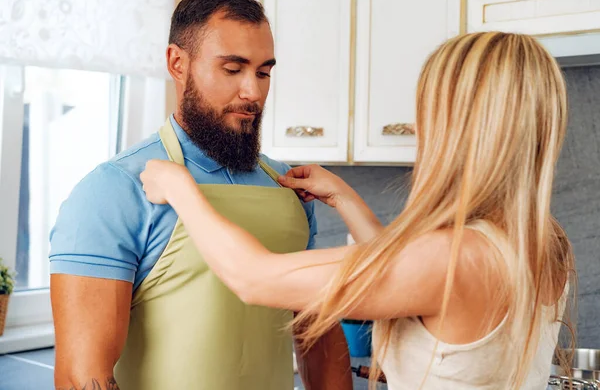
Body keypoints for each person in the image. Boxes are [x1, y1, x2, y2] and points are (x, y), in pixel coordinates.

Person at [140, 31, 576, 390]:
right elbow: (406, 276)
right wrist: (346, 199)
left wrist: (181, 189)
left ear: (455, 125)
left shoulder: (453, 257)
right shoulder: (543, 241)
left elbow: (255, 278)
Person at [49, 0, 352, 389]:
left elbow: (318, 338)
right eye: (232, 69)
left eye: (263, 72)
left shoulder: (289, 188)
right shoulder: (112, 191)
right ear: (178, 63)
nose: (254, 92)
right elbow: (81, 376)